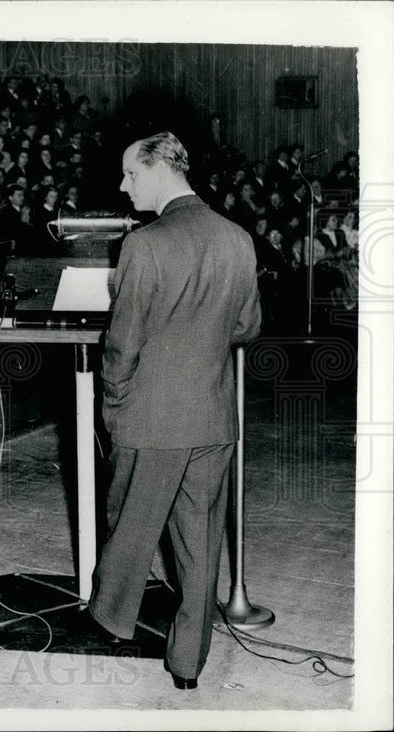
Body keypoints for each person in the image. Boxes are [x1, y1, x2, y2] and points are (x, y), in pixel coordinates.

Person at [77, 132, 261, 690]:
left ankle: (112, 621)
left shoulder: (145, 244)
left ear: (158, 171)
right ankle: (187, 666)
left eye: (130, 173)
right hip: (211, 418)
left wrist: (111, 402)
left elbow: (123, 342)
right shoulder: (238, 238)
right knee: (199, 543)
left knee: (129, 526)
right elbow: (246, 327)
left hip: (150, 420)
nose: (123, 184)